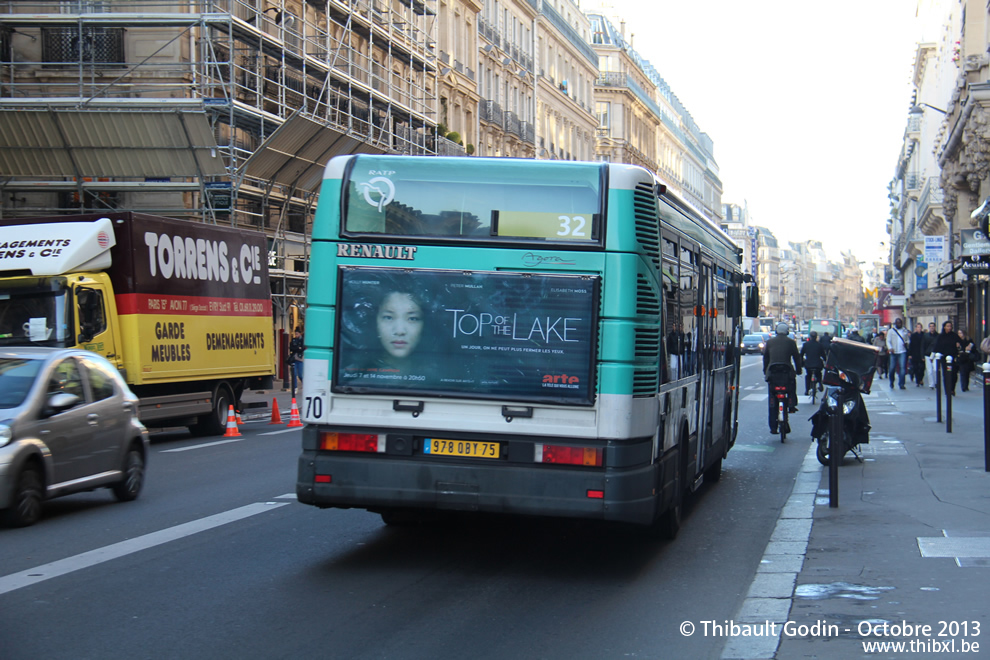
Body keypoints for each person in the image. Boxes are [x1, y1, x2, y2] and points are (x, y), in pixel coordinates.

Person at [763, 322, 802, 433]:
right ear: (787, 332)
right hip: (786, 373)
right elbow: (796, 357)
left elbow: (766, 358)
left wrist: (765, 371)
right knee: (791, 388)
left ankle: (773, 427)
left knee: (772, 400)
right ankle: (791, 404)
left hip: (773, 374)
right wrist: (798, 370)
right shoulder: (791, 342)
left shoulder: (770, 342)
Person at [933, 320, 964, 395]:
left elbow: (962, 343)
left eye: (950, 326)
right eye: (948, 326)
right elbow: (936, 347)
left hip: (953, 357)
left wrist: (959, 346)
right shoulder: (941, 336)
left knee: (954, 374)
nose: (949, 328)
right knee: (946, 374)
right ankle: (948, 390)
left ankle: (952, 388)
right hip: (944, 358)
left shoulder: (954, 335)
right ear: (944, 327)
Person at [885, 317, 909, 389]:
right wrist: (890, 348)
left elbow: (907, 340)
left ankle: (901, 383)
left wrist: (907, 343)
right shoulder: (891, 331)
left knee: (902, 368)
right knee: (892, 368)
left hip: (902, 351)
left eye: (900, 323)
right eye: (897, 323)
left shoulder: (905, 331)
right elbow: (888, 341)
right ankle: (891, 381)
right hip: (893, 352)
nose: (899, 324)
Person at [799, 330, 826, 395]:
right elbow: (823, 355)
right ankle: (820, 383)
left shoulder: (806, 344)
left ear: (810, 337)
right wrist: (826, 361)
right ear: (816, 337)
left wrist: (801, 363)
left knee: (808, 376)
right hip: (817, 364)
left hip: (808, 364)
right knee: (819, 374)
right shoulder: (819, 345)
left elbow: (801, 354)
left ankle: (807, 390)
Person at [288, 326, 304, 396]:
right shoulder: (294, 340)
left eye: (297, 334)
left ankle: (304, 384)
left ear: (300, 334)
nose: (296, 335)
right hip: (294, 358)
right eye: (295, 334)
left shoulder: (302, 340)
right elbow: (291, 348)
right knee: (294, 374)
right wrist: (298, 348)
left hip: (300, 359)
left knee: (300, 375)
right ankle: (295, 387)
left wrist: (297, 348)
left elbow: (302, 348)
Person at [922, 322, 939, 389]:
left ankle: (936, 382)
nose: (932, 327)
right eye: (931, 326)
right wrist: (922, 355)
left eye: (933, 326)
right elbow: (923, 346)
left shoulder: (938, 335)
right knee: (929, 370)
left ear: (935, 327)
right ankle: (931, 384)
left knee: (935, 369)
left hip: (935, 355)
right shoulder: (926, 335)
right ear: (929, 327)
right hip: (928, 354)